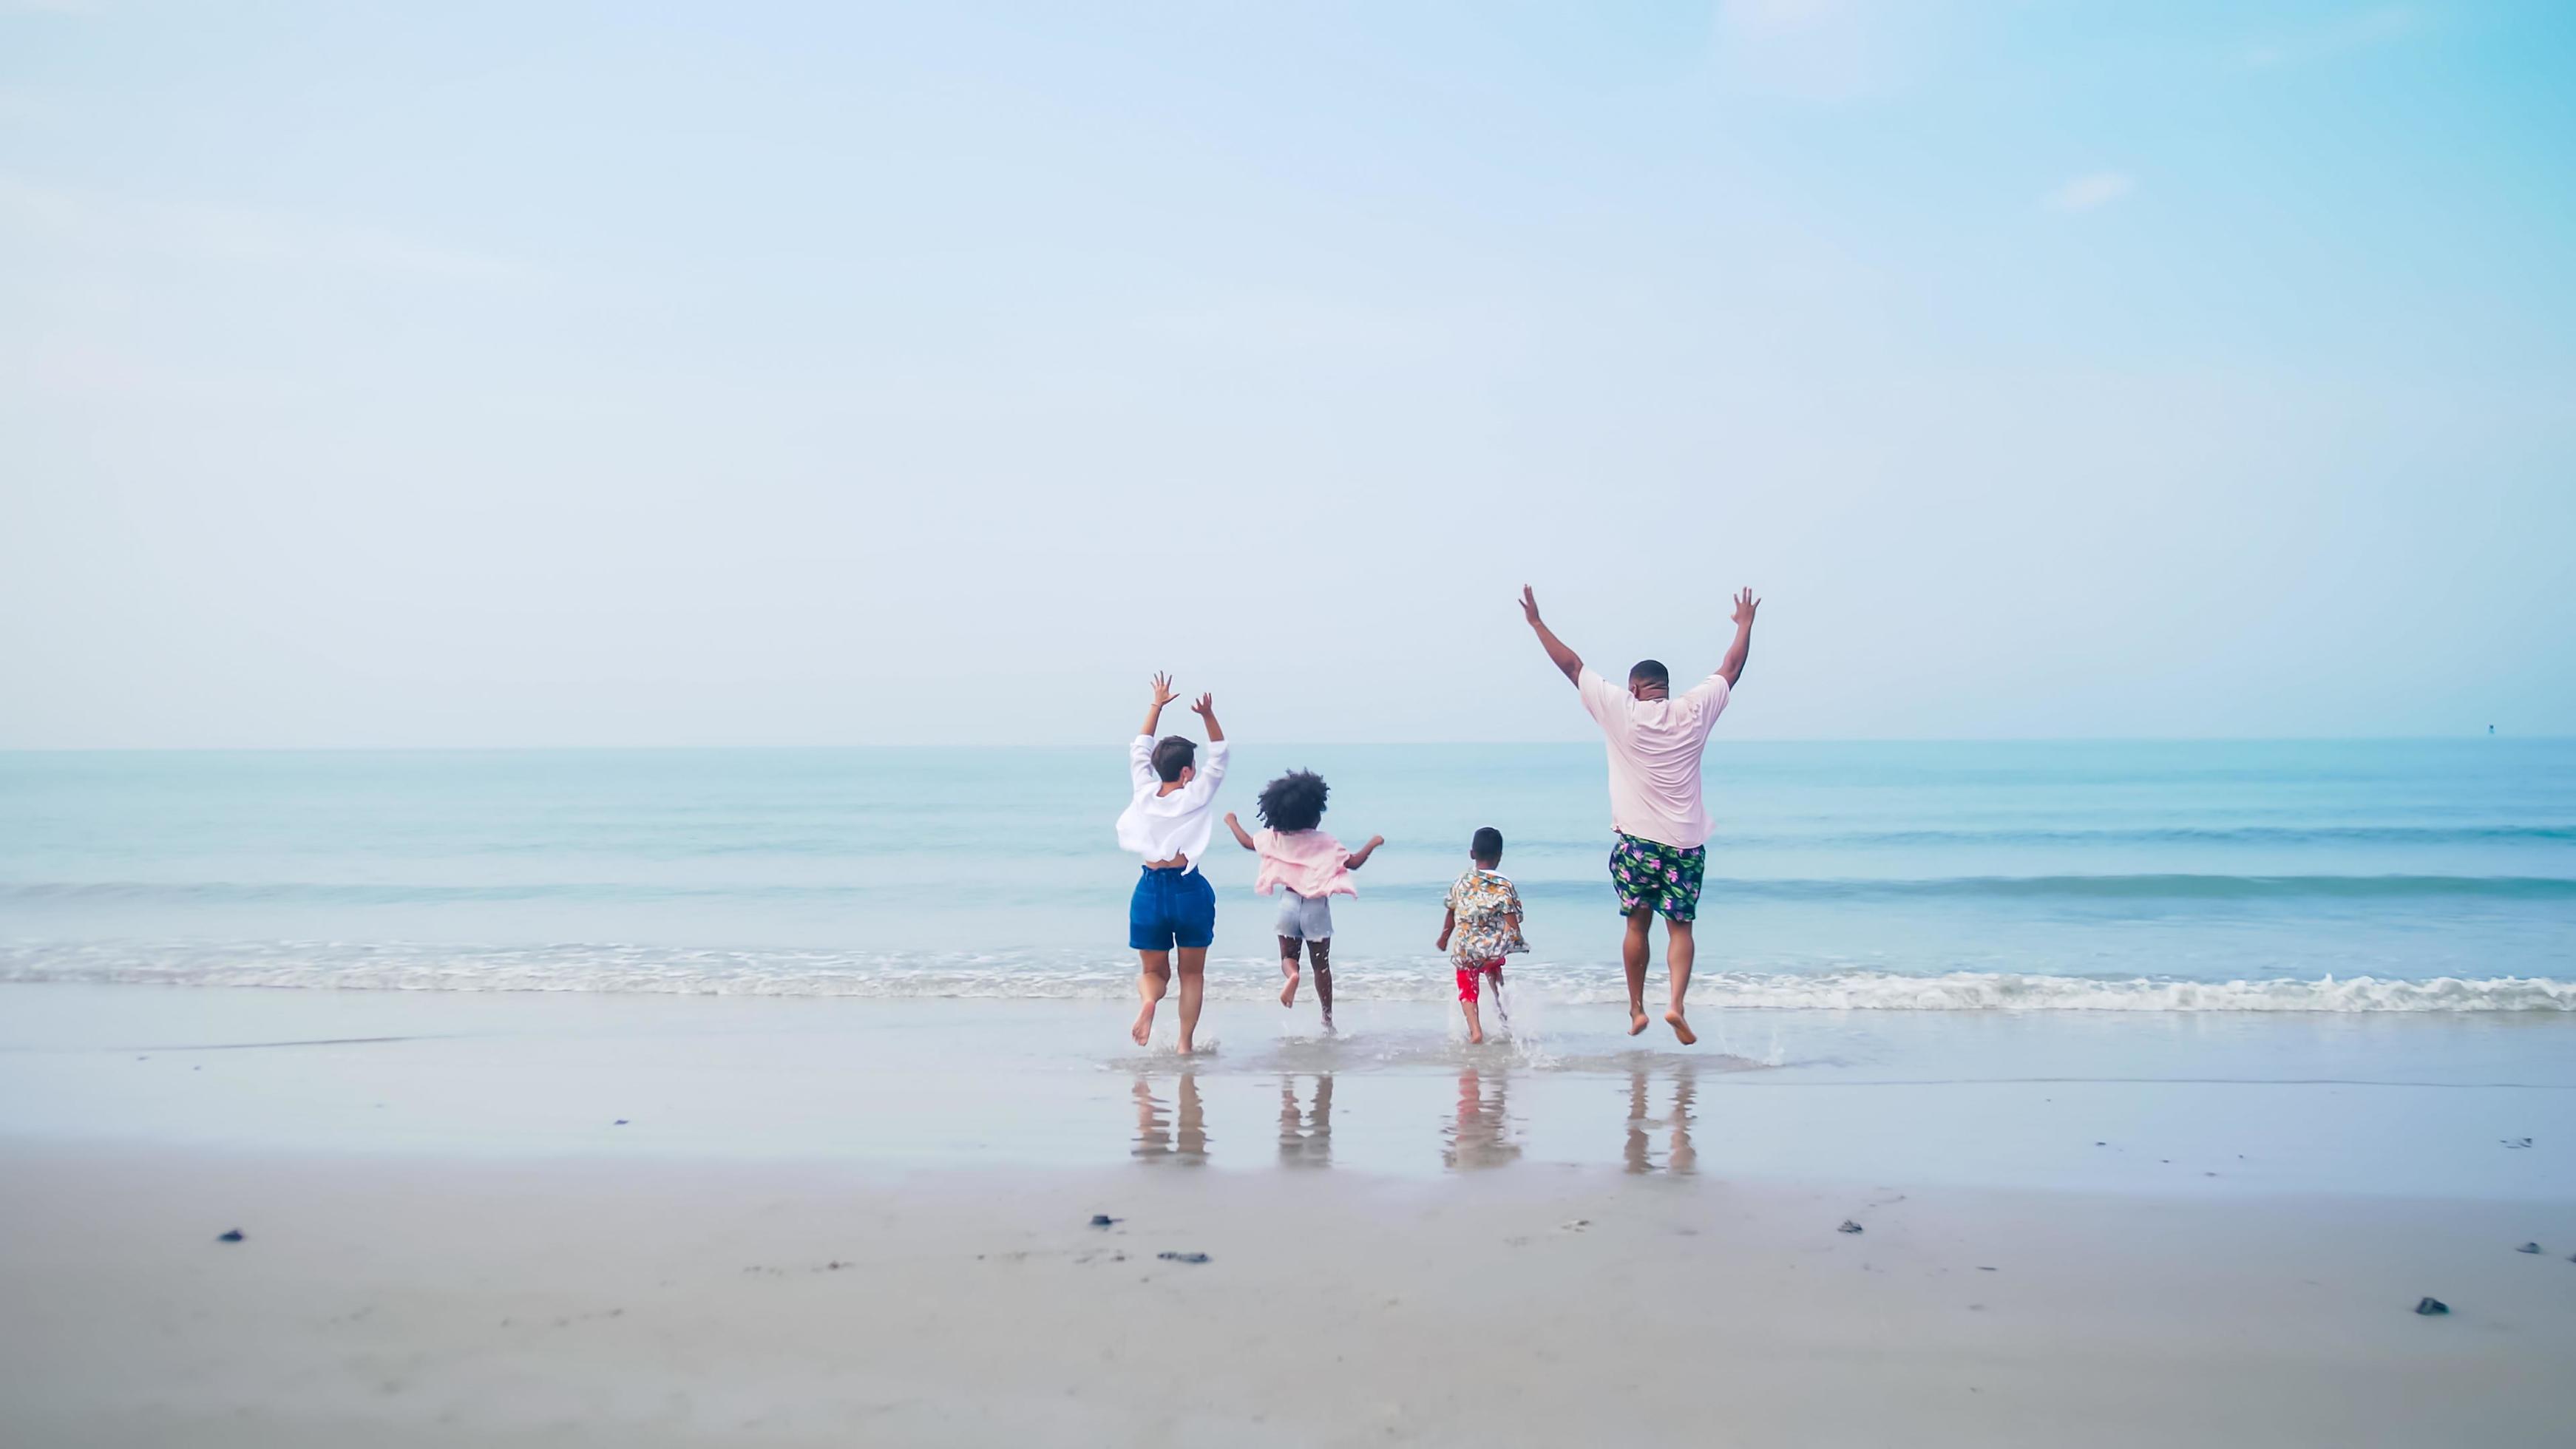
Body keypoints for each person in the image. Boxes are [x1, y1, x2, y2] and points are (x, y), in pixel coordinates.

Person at [1519, 584, 1758, 1045]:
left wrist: (1536, 623)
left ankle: (1636, 1010)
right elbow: (1731, 668)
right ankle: (1676, 1004)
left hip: (1637, 843)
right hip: (1686, 843)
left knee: (1636, 924)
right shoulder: (1693, 710)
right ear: (1666, 689)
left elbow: (1571, 665)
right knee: (1681, 927)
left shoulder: (1621, 710)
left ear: (1634, 688)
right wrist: (1745, 624)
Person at [1115, 673, 1227, 1052]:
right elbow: (1221, 755)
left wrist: (1157, 705)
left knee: (1152, 972)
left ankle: (1149, 1003)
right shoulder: (1196, 795)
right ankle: (1183, 1045)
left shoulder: (1144, 792)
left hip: (1149, 891)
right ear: (1186, 772)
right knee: (1191, 974)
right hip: (1189, 890)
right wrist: (1208, 715)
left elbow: (1139, 750)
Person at [1222, 770, 1383, 1032]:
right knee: (1321, 966)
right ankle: (1327, 1019)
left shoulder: (1274, 837)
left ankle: (1293, 975)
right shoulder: (1326, 841)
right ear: (1315, 814)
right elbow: (1353, 863)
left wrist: (1231, 821)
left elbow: (1246, 842)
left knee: (1288, 957)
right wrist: (1373, 843)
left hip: (1289, 905)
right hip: (1316, 909)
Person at [1437, 826, 1525, 1045]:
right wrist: (1516, 939)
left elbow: (1451, 911)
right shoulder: (1504, 885)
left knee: (1467, 986)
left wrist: (1444, 938)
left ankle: (1476, 1031)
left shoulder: (1461, 881)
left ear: (1471, 854)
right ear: (1500, 856)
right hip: (1492, 949)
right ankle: (1504, 1014)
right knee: (1495, 973)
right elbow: (1512, 918)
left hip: (1467, 948)